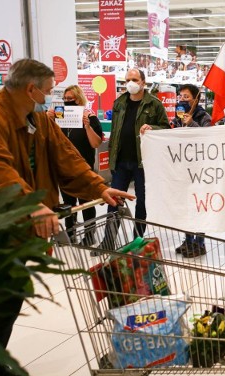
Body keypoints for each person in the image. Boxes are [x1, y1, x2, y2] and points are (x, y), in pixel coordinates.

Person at [0, 58, 134, 376]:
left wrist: (99, 188)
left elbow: (67, 157)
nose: (51, 96)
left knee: (11, 293)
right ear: (30, 88)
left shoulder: (37, 119)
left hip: (20, 221)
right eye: (48, 90)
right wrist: (33, 204)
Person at [103, 68, 169, 245]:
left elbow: (166, 129)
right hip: (121, 161)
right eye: (127, 80)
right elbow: (116, 131)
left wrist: (152, 128)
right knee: (114, 201)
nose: (130, 83)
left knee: (142, 203)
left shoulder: (154, 104)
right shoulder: (119, 103)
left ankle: (137, 240)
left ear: (143, 82)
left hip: (143, 163)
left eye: (134, 79)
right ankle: (108, 241)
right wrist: (111, 159)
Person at [47, 85, 103, 244]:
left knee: (86, 203)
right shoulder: (59, 117)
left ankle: (89, 235)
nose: (66, 102)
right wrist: (49, 120)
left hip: (84, 168)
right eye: (64, 99)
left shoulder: (90, 117)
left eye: (69, 99)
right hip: (64, 168)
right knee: (67, 203)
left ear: (78, 99)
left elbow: (95, 143)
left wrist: (87, 127)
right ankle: (69, 234)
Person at [172, 84, 212, 258]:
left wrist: (193, 124)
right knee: (185, 206)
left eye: (186, 97)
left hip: (200, 170)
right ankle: (188, 240)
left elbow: (209, 138)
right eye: (180, 96)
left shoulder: (204, 116)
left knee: (199, 205)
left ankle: (199, 242)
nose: (182, 100)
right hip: (183, 168)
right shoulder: (178, 117)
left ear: (196, 99)